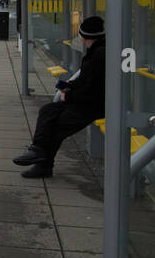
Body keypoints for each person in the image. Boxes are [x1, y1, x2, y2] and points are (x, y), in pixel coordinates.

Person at [14, 15, 106, 178]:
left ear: (83, 36)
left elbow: (93, 89)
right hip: (86, 102)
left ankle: (42, 163)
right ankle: (37, 151)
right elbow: (87, 81)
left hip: (93, 106)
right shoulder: (96, 52)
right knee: (47, 110)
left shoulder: (99, 55)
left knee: (55, 127)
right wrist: (69, 87)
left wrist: (68, 96)